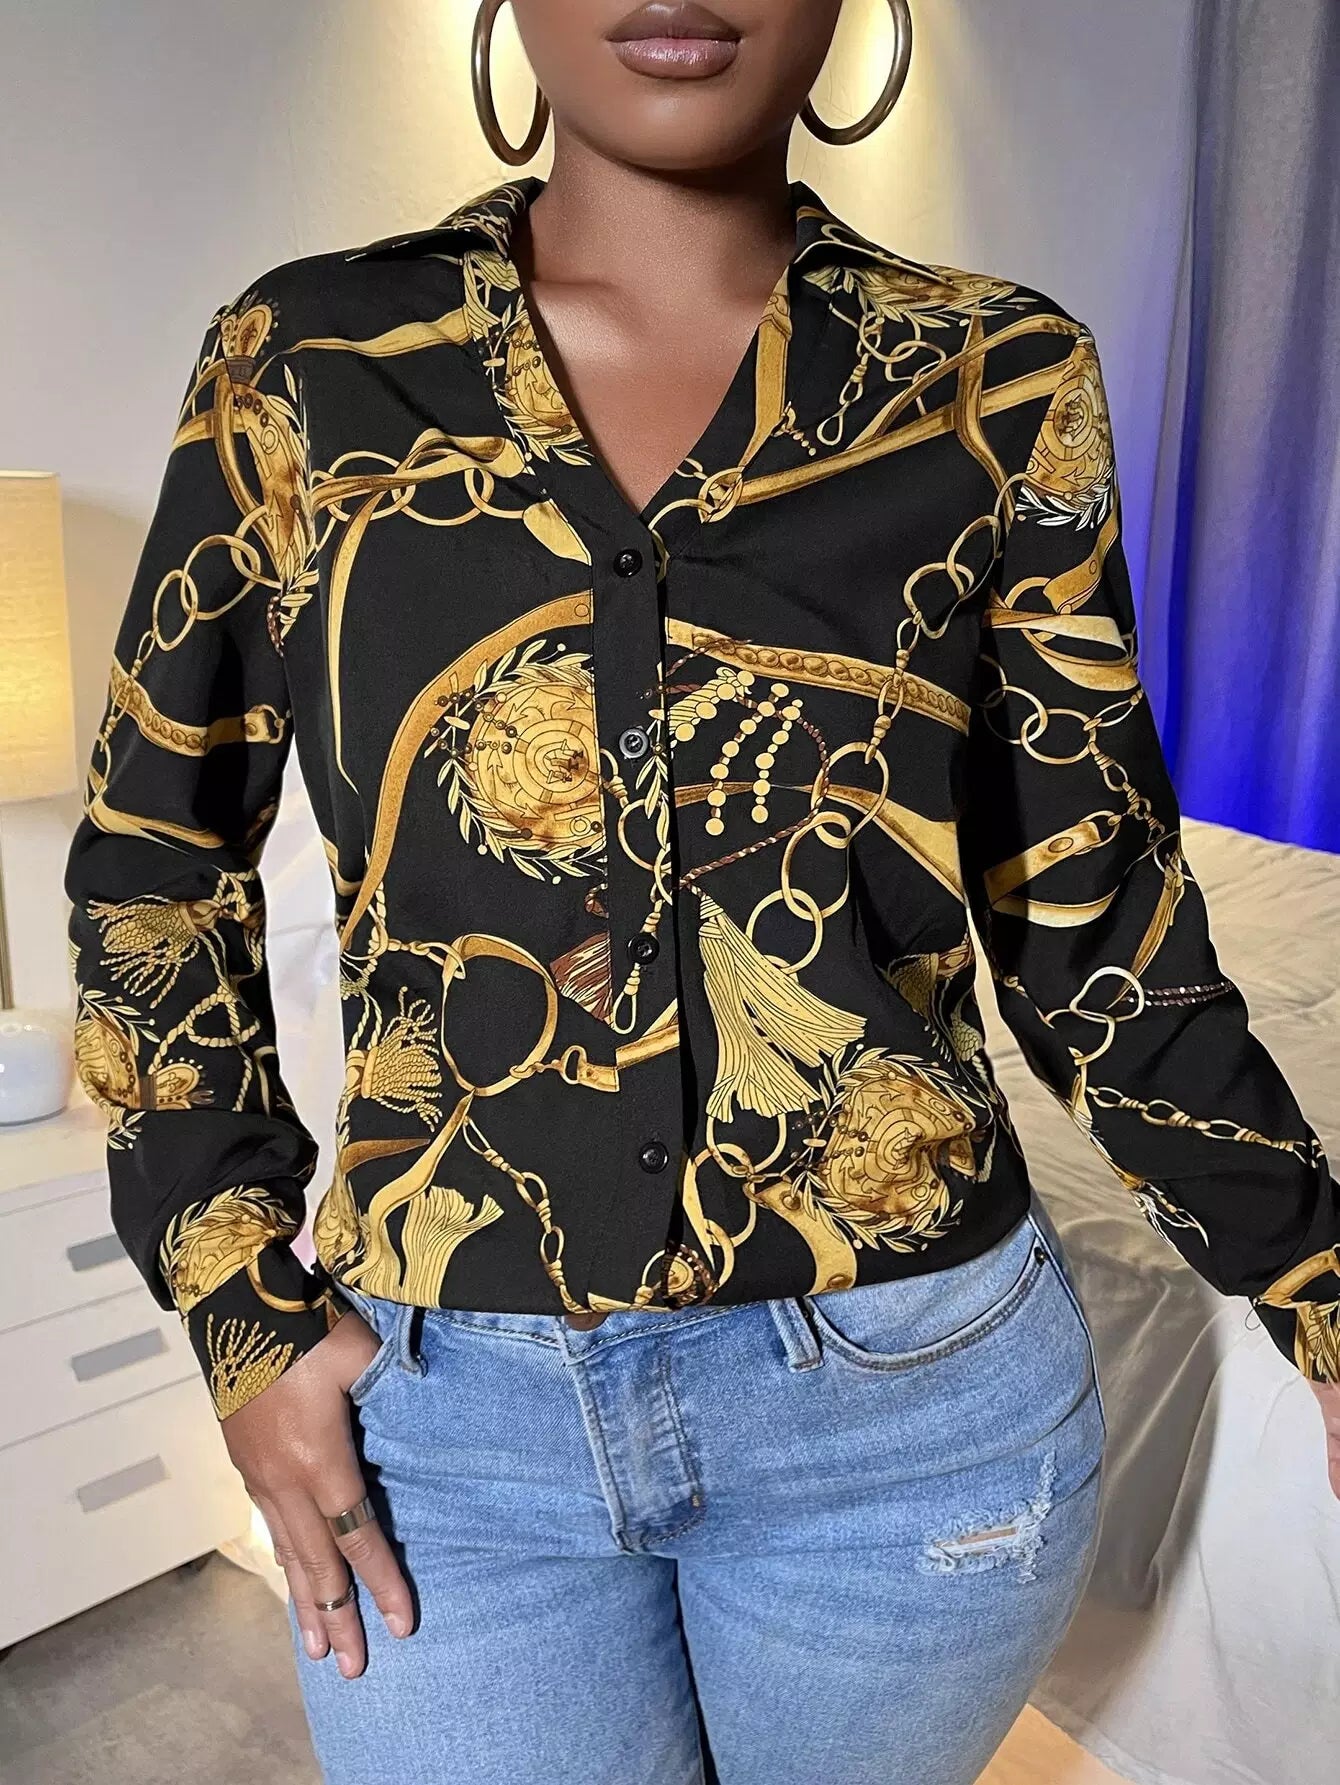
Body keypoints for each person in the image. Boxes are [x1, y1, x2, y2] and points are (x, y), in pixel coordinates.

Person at [63, 2, 1340, 1780]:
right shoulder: (305, 366)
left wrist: (1316, 1279)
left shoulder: (1001, 379)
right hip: (453, 1440)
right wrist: (238, 1309)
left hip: (911, 1419)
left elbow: (1097, 919)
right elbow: (155, 863)